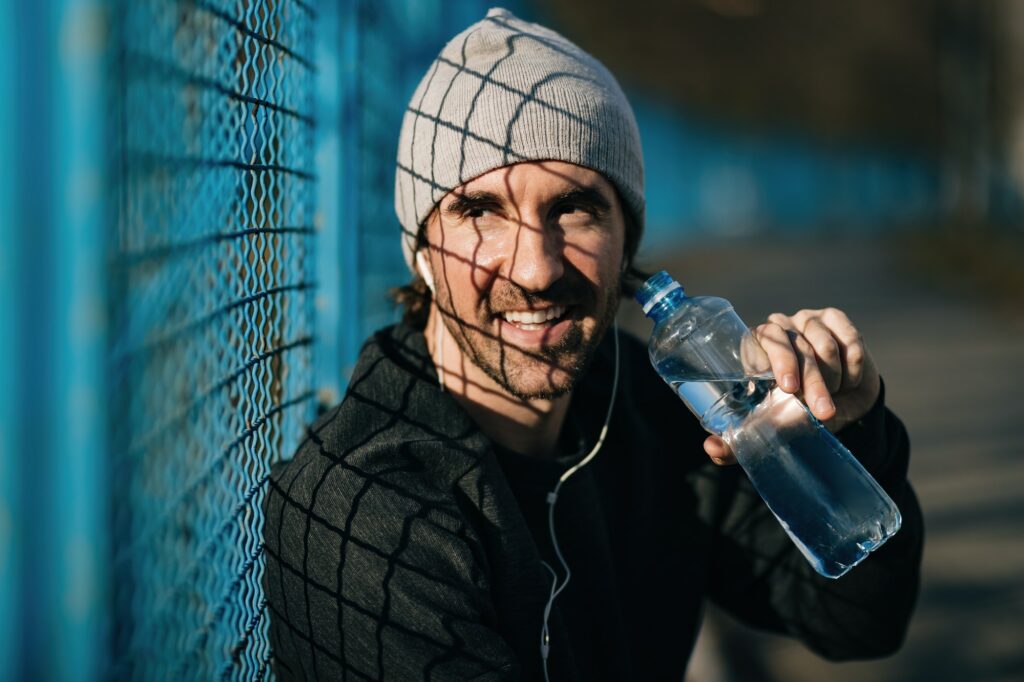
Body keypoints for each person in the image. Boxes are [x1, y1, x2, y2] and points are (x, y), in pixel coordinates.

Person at [262, 8, 924, 680]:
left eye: (573, 207)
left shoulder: (644, 404)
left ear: (626, 242)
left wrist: (851, 435)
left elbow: (856, 622)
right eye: (481, 211)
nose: (536, 269)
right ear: (424, 254)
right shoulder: (357, 511)